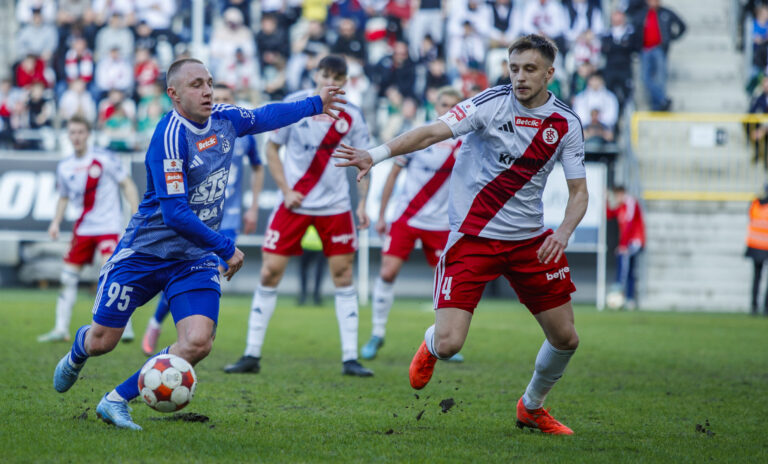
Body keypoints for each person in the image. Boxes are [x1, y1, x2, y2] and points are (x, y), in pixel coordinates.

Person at [52, 57, 345, 430]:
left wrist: (315, 103)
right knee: (102, 342)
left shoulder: (224, 117)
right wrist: (225, 246)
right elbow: (175, 213)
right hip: (145, 254)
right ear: (173, 94)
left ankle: (116, 400)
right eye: (196, 85)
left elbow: (265, 115)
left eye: (209, 81)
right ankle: (78, 353)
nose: (207, 90)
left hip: (192, 257)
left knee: (197, 342)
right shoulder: (169, 137)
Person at [335, 35, 588, 435]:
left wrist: (565, 231)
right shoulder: (490, 103)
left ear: (550, 74)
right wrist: (376, 154)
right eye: (514, 68)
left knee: (566, 338)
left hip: (530, 242)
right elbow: (432, 132)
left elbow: (578, 193)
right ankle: (432, 343)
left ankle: (532, 407)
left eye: (530, 69)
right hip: (473, 237)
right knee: (452, 344)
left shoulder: (566, 124)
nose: (519, 77)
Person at [224, 55, 374, 377]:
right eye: (325, 74)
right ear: (315, 75)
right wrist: (285, 189)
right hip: (293, 204)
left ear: (346, 81)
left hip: (335, 206)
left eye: (337, 75)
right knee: (269, 272)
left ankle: (350, 358)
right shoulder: (295, 105)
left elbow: (365, 161)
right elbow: (271, 149)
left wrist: (363, 203)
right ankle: (251, 353)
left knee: (343, 276)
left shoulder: (353, 115)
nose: (330, 80)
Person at [140, 83, 265, 356]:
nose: (217, 102)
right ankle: (159, 323)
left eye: (224, 99)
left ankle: (193, 331)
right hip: (195, 218)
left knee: (210, 270)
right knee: (188, 270)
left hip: (227, 217)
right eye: (215, 97)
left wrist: (253, 206)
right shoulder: (186, 136)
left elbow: (258, 167)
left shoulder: (242, 135)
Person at [360, 86, 466, 362]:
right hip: (407, 217)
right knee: (387, 271)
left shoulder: (467, 143)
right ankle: (377, 333)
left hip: (443, 223)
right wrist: (382, 215)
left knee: (447, 282)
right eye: (444, 103)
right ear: (436, 106)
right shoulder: (422, 135)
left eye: (454, 105)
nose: (448, 109)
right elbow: (393, 175)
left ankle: (443, 339)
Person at [38, 114, 139, 343]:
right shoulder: (65, 166)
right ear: (68, 135)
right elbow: (63, 197)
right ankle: (60, 328)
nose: (76, 137)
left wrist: (134, 215)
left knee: (113, 276)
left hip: (107, 226)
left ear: (88, 134)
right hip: (83, 229)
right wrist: (55, 222)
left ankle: (125, 326)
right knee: (68, 277)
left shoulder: (104, 158)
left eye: (80, 132)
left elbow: (128, 185)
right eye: (72, 132)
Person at [632, 0, 685, 111]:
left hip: (658, 49)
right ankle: (661, 101)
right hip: (645, 50)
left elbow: (682, 25)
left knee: (660, 78)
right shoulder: (641, 14)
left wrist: (671, 38)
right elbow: (634, 30)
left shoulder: (666, 13)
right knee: (645, 79)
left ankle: (658, 105)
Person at [606, 185, 645, 310]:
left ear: (622, 193)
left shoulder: (630, 203)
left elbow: (629, 224)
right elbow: (609, 214)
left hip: (635, 241)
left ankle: (622, 294)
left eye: (617, 195)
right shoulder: (621, 206)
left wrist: (623, 245)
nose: (616, 198)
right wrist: (606, 200)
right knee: (629, 269)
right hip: (627, 243)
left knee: (624, 267)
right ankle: (628, 298)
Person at [745, 184, 768, 316]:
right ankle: (766, 308)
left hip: (755, 246)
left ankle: (754, 306)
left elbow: (751, 217)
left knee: (756, 278)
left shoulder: (755, 204)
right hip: (765, 246)